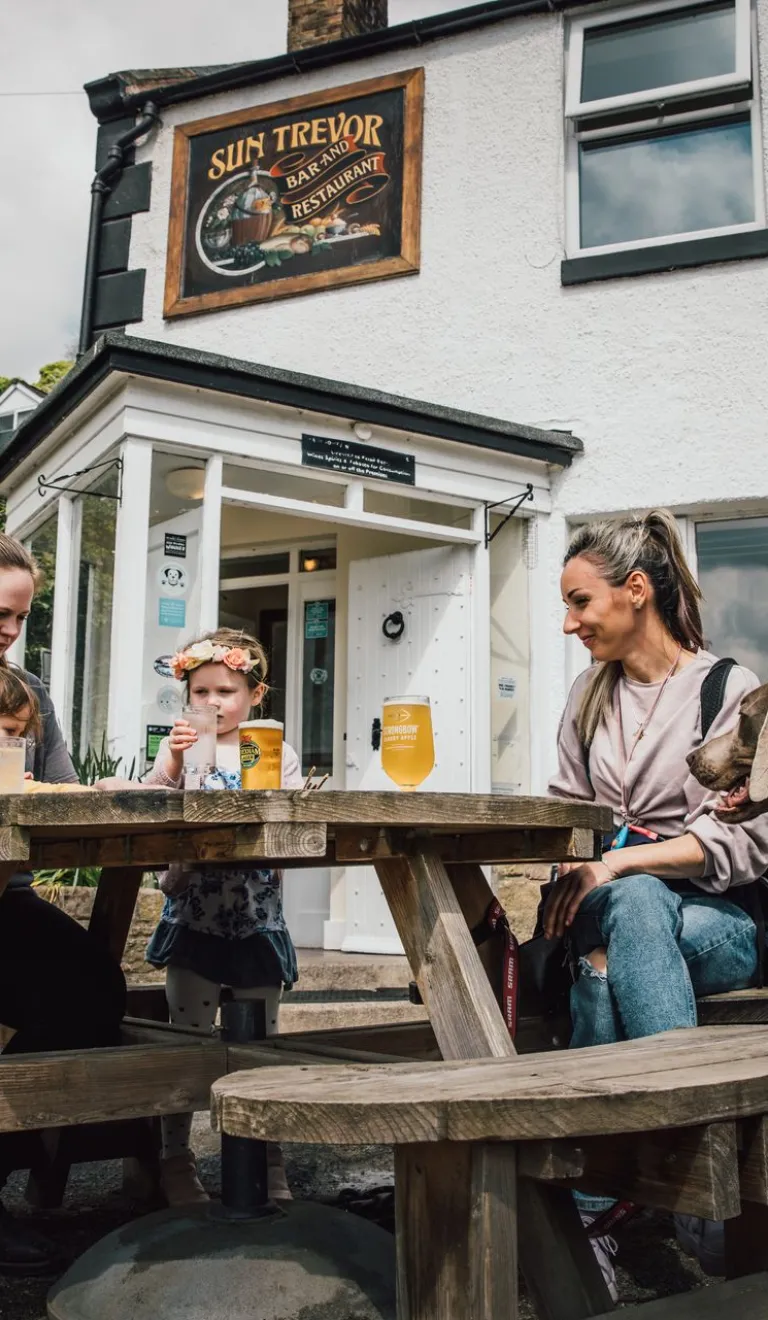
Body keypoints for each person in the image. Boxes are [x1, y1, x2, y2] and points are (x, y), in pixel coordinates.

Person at [546, 509, 768, 1297]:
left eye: (580, 602)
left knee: (605, 970)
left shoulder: (725, 688)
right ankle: (690, 1166)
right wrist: (588, 873)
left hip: (723, 921)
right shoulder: (586, 696)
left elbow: (743, 842)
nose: (570, 622)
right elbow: (567, 818)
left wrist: (620, 866)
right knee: (629, 911)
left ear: (636, 590)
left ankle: (597, 1210)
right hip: (618, 912)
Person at [0, 534, 126, 1276]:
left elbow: (65, 797)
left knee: (92, 990)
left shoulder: (32, 695)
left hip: (6, 897)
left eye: (19, 618)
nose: (10, 634)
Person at [144, 627, 303, 1207]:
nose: (212, 703)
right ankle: (175, 1159)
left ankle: (267, 1153)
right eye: (201, 690)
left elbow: (289, 822)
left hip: (256, 915)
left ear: (255, 695)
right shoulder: (178, 744)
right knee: (186, 1042)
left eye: (227, 691)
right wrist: (174, 762)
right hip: (196, 914)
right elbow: (149, 804)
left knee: (262, 1043)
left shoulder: (273, 750)